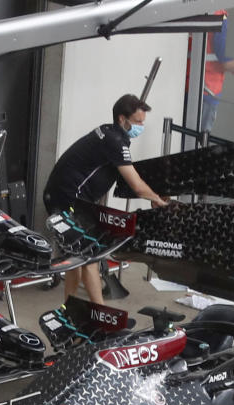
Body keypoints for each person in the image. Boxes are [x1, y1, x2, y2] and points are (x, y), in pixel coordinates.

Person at [43, 94, 168, 305]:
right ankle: (98, 315)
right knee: (88, 256)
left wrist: (152, 192)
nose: (141, 126)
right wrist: (157, 199)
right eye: (138, 122)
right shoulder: (114, 141)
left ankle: (70, 310)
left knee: (76, 258)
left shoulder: (109, 132)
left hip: (63, 195)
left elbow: (129, 177)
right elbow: (136, 185)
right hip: (68, 199)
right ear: (122, 119)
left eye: (143, 122)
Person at [201, 9, 234, 133]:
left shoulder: (200, 11)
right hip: (208, 91)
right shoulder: (219, 17)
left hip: (190, 85)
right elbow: (227, 62)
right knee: (199, 140)